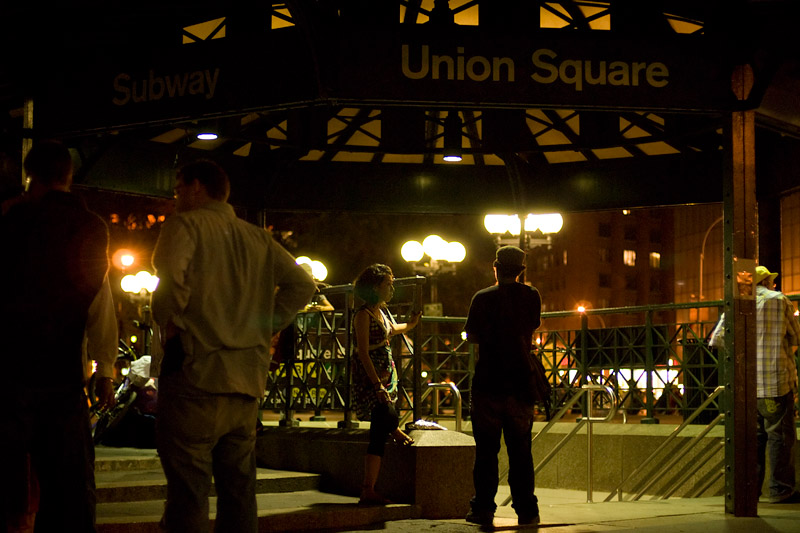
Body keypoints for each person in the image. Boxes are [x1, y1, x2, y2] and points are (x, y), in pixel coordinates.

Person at [151, 159, 316, 532]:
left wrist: (170, 320)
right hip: (246, 381)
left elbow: (170, 284)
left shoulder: (185, 225)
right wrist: (264, 326)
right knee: (239, 490)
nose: (176, 197)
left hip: (196, 372)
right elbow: (302, 285)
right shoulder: (257, 237)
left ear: (196, 187)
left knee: (188, 491)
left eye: (178, 188)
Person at [0, 140, 117, 531]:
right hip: (64, 371)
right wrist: (105, 369)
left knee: (9, 478)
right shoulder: (91, 228)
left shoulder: (12, 223)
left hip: (12, 369)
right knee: (68, 486)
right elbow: (100, 300)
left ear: (31, 175)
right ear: (68, 176)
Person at [463, 245, 542, 526]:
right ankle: (527, 511)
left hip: (488, 381)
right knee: (521, 451)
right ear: (521, 271)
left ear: (495, 268)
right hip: (521, 382)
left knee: (486, 452)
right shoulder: (531, 296)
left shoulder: (482, 298)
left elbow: (471, 335)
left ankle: (483, 508)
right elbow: (532, 325)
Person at [710, 265, 800, 504]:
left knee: (754, 438)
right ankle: (781, 489)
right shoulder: (779, 300)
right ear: (767, 283)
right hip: (775, 381)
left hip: (746, 386)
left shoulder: (736, 304)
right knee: (779, 436)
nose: (774, 284)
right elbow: (796, 336)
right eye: (771, 280)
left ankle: (750, 491)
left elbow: (717, 339)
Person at [351, 264, 421, 504]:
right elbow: (362, 352)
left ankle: (368, 489)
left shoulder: (382, 312)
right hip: (371, 377)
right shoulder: (363, 315)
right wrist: (376, 385)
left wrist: (411, 325)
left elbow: (392, 330)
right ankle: (396, 432)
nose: (392, 289)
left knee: (379, 429)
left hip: (385, 375)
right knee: (385, 415)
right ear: (374, 287)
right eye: (387, 284)